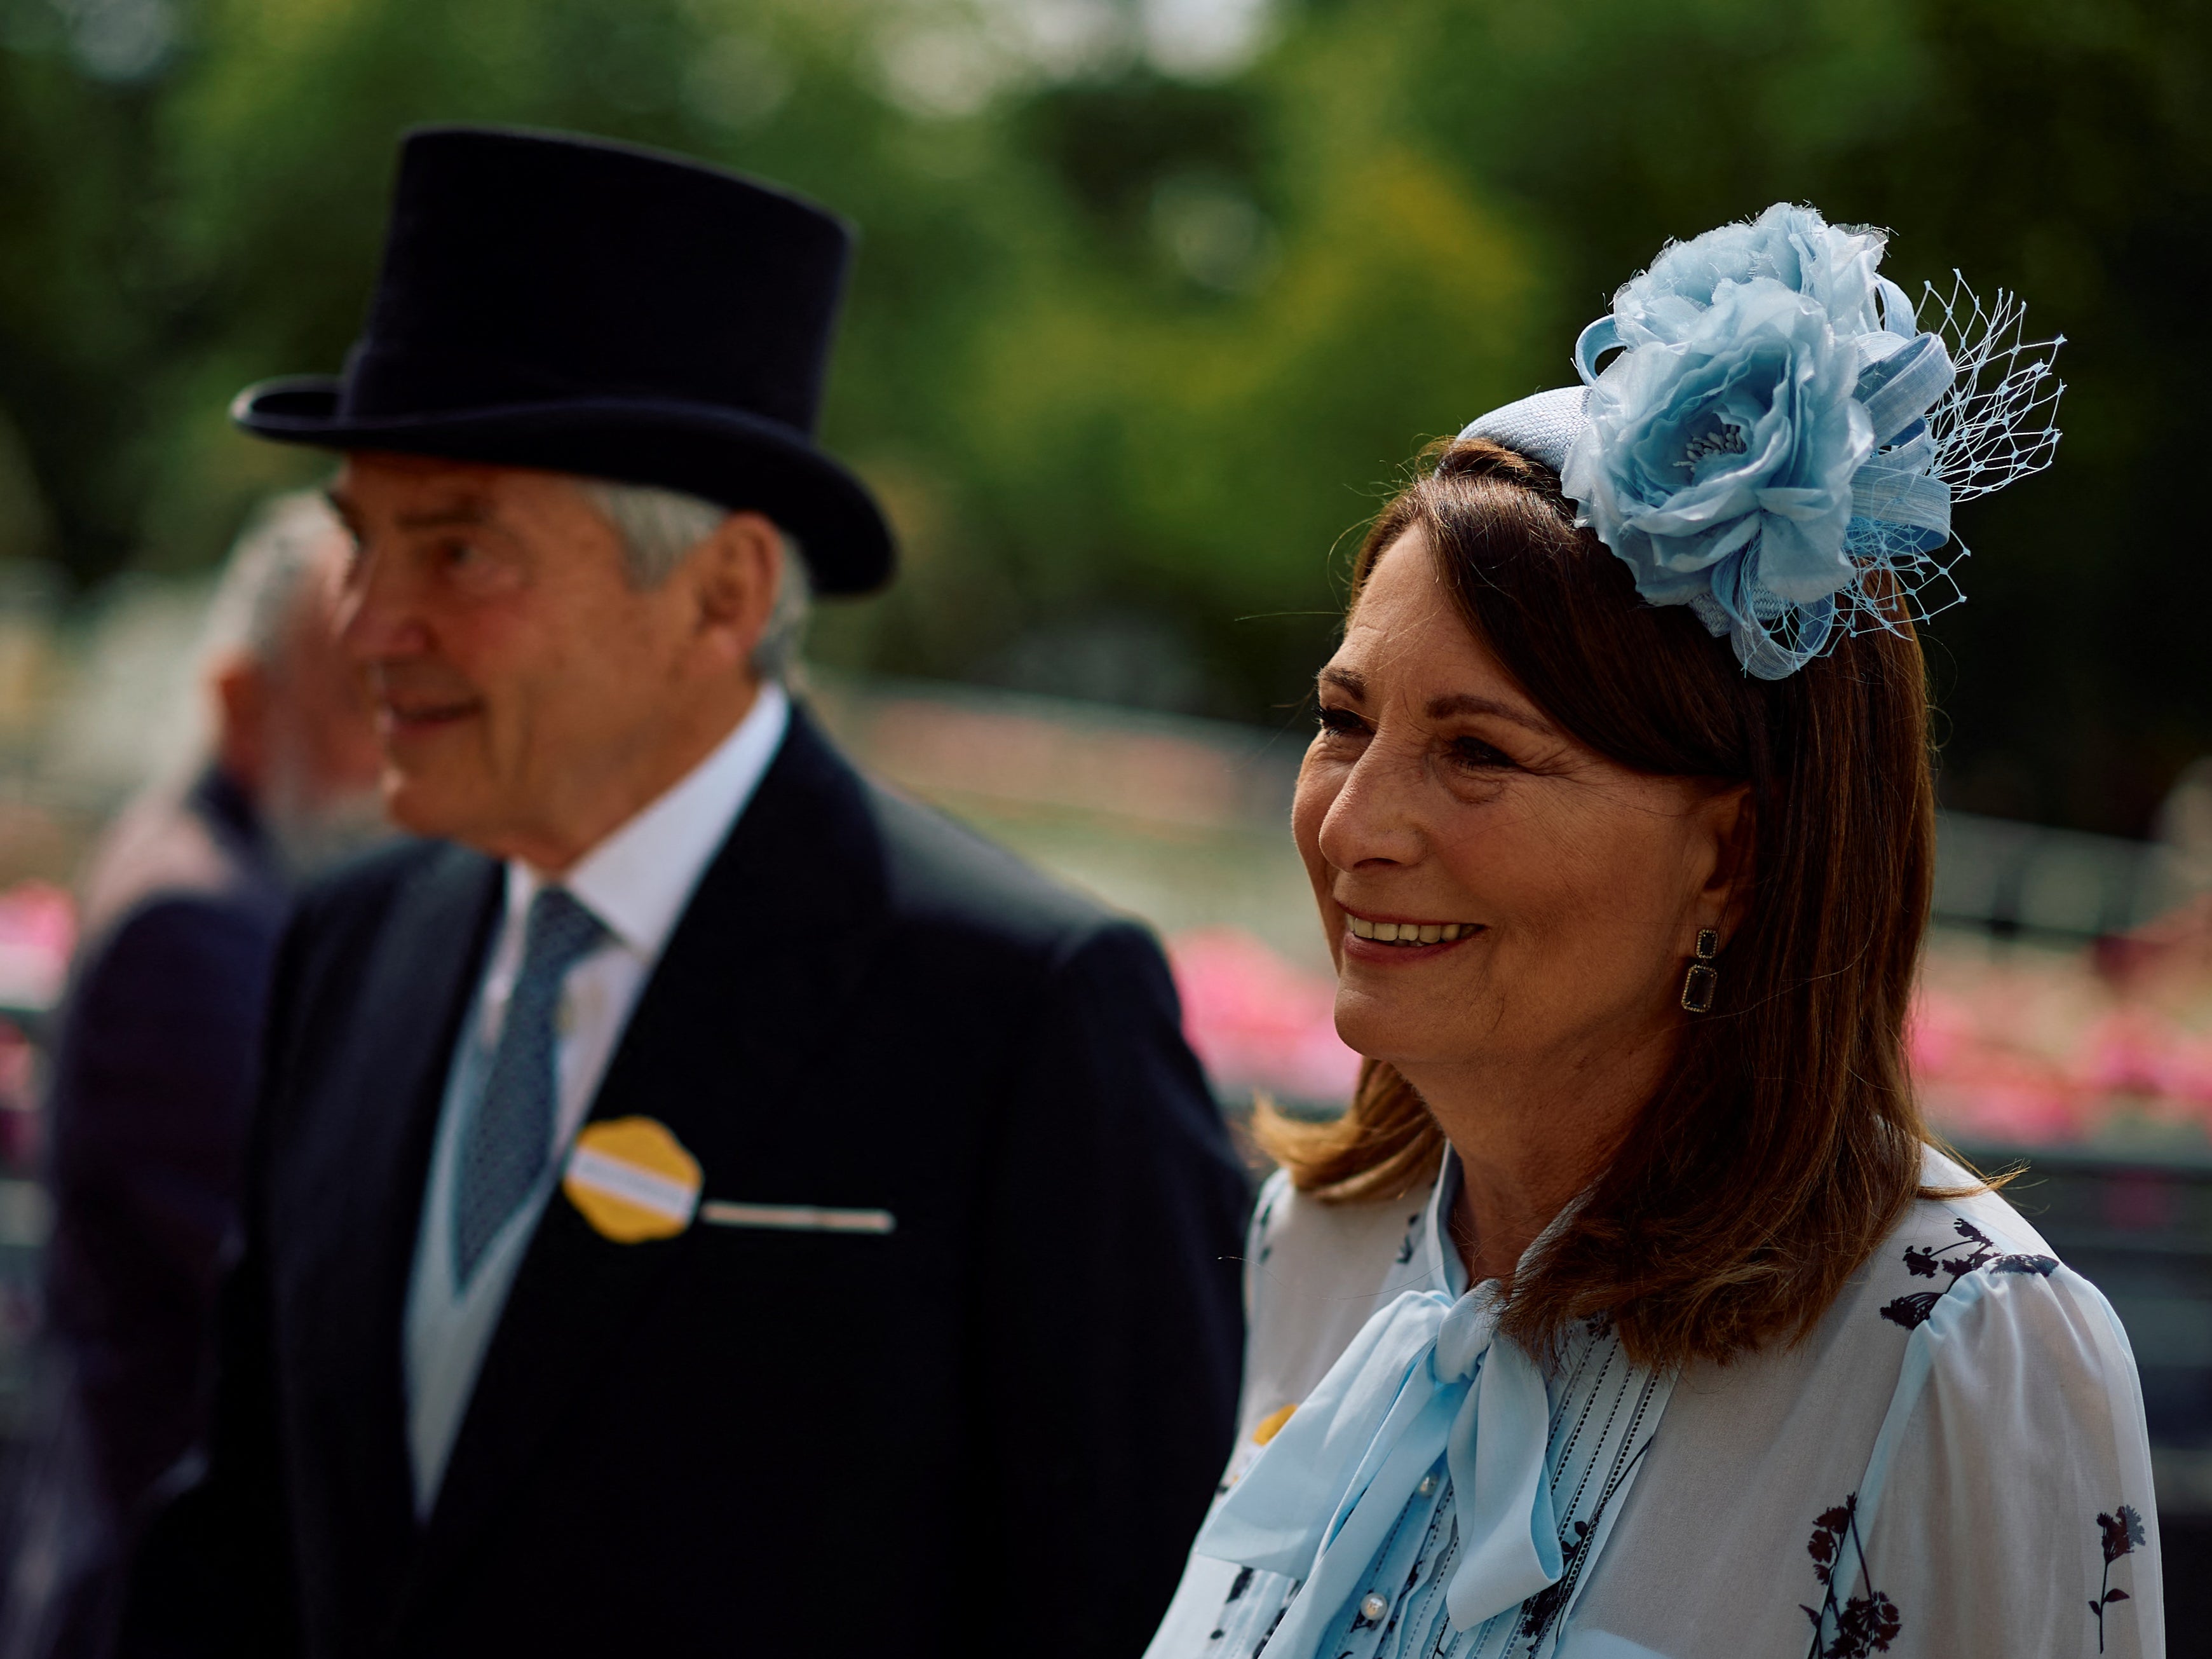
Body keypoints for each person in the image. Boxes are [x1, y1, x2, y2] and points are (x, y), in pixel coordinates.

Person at [120, 126, 1248, 1659]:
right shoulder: (354, 941)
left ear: (720, 592)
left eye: (457, 548)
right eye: (362, 544)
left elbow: (1133, 1602)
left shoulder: (1017, 1013)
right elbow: (242, 1537)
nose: (373, 625)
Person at [1145, 204, 2162, 1659]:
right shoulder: (1318, 1239)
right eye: (1341, 721)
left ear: (1731, 855)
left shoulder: (1960, 1349)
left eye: (1478, 754)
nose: (1353, 823)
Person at [4, 493, 383, 1659]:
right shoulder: (197, 922)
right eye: (358, 698)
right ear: (238, 703)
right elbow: (289, 1305)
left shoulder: (240, 881)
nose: (401, 735)